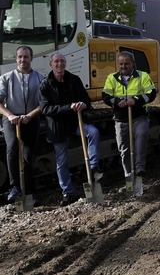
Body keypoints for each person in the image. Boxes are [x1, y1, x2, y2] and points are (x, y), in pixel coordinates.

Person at [39, 52, 103, 206]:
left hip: (76, 123)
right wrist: (69, 107)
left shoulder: (74, 80)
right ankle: (68, 192)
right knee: (61, 161)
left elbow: (86, 100)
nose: (59, 64)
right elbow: (45, 109)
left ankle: (93, 167)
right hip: (58, 127)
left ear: (65, 63)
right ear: (51, 64)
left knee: (93, 132)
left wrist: (83, 104)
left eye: (62, 61)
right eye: (56, 62)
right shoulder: (45, 84)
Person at [102, 51, 157, 182]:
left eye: (127, 64)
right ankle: (128, 174)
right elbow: (106, 96)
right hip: (121, 118)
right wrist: (116, 101)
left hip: (139, 116)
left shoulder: (142, 76)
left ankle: (139, 168)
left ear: (133, 64)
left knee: (141, 135)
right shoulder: (112, 78)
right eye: (121, 64)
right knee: (123, 148)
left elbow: (151, 93)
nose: (123, 66)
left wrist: (136, 100)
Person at [0, 46, 45, 204]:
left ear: (31, 58)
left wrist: (30, 116)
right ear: (16, 58)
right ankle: (14, 187)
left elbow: (43, 103)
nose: (22, 60)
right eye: (20, 57)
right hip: (11, 119)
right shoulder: (6, 77)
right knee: (12, 146)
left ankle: (28, 189)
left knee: (28, 154)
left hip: (31, 119)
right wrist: (10, 115)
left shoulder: (40, 78)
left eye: (26, 57)